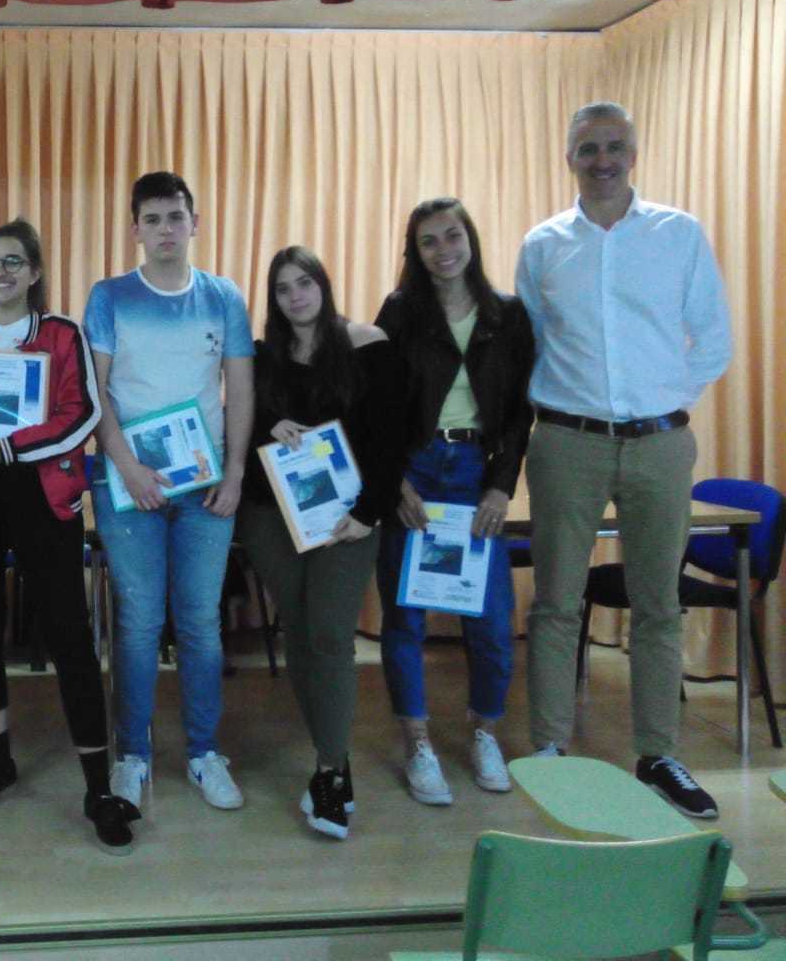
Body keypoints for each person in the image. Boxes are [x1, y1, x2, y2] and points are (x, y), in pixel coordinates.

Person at [516, 101, 732, 817]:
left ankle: (658, 754)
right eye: (588, 149)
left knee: (658, 604)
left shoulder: (679, 234)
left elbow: (712, 337)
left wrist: (665, 400)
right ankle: (550, 751)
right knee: (556, 602)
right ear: (569, 159)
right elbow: (528, 346)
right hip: (566, 442)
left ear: (633, 154)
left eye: (614, 147)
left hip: (660, 445)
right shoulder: (543, 245)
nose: (602, 160)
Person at [0, 218, 139, 854]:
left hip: (41, 492)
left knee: (68, 633)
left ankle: (97, 787)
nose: (0, 273)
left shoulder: (60, 334)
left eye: (12, 262)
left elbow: (82, 413)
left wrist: (4, 448)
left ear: (34, 272)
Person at [85, 172, 254, 814]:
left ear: (194, 224)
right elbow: (95, 393)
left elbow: (239, 388)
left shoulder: (223, 297)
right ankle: (133, 755)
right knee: (138, 621)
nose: (164, 230)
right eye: (151, 219)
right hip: (128, 485)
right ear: (135, 229)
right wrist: (126, 466)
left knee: (201, 622)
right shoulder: (110, 297)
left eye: (175, 217)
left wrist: (235, 471)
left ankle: (205, 753)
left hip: (206, 489)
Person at [237, 247, 405, 841]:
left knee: (331, 635)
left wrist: (368, 512)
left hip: (344, 521)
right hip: (271, 517)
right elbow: (237, 425)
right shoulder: (263, 357)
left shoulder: (367, 344)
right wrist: (268, 426)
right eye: (283, 288)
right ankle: (332, 752)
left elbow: (390, 439)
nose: (295, 297)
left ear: (323, 285)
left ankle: (331, 770)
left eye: (304, 283)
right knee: (302, 632)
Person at [373, 198, 535, 806]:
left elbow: (518, 413)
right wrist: (394, 483)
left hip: (475, 473)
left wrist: (501, 485)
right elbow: (375, 404)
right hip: (414, 468)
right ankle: (418, 744)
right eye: (429, 241)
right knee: (406, 618)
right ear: (415, 252)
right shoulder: (400, 312)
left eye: (452, 235)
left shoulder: (508, 315)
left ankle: (485, 732)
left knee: (490, 620)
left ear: (471, 239)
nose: (444, 250)